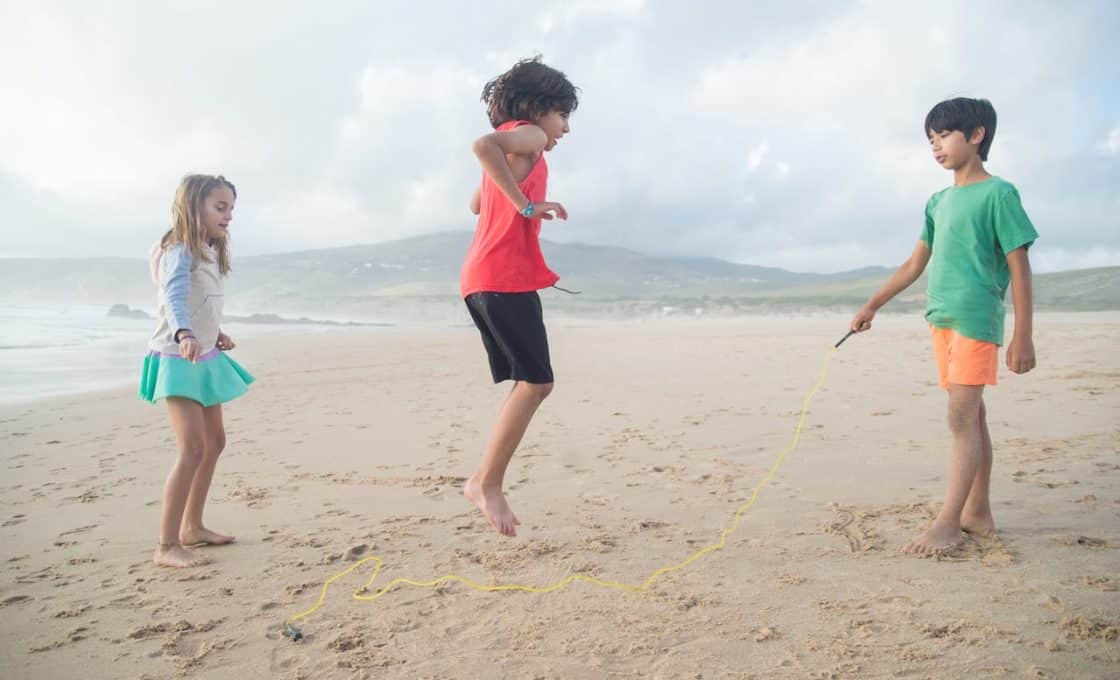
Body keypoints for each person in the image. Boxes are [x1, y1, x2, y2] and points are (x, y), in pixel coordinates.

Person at [850, 97, 1039, 555]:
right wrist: (872, 304)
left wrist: (1023, 334)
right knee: (972, 415)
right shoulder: (937, 201)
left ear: (976, 136)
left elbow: (1019, 266)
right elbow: (916, 264)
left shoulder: (999, 194)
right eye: (930, 140)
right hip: (942, 320)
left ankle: (949, 523)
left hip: (977, 318)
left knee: (958, 417)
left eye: (944, 136)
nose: (936, 147)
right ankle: (978, 512)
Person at [459, 57, 579, 537]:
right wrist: (526, 203)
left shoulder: (518, 150)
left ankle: (485, 480)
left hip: (481, 279)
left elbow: (474, 202)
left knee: (531, 382)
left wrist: (509, 186)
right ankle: (485, 482)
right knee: (536, 383)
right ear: (537, 109)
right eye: (563, 116)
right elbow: (481, 144)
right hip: (502, 277)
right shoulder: (526, 135)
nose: (565, 128)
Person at [140, 174, 254, 567]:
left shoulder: (207, 250)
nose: (228, 217)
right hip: (177, 356)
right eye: (220, 208)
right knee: (191, 447)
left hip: (202, 353)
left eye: (231, 209)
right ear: (194, 207)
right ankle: (166, 545)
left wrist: (214, 331)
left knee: (215, 442)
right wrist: (185, 331)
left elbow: (200, 299)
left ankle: (193, 527)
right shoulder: (180, 248)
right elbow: (172, 294)